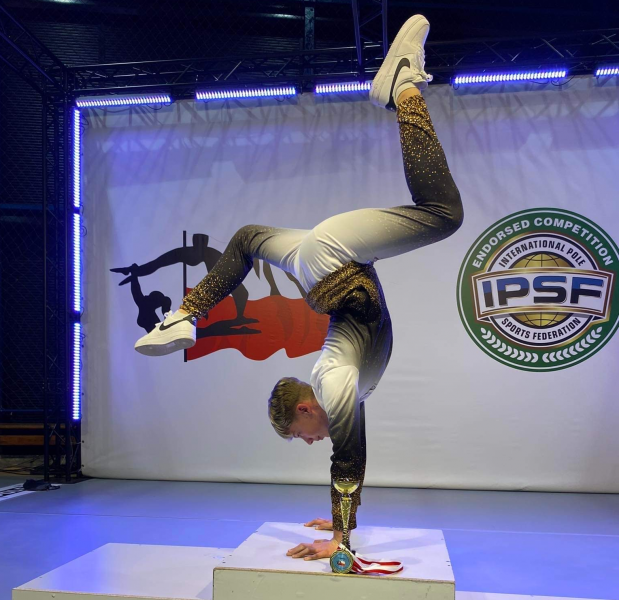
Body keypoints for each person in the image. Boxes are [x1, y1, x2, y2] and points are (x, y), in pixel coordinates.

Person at [133, 14, 463, 561]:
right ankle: (184, 315)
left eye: (300, 432)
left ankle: (403, 84)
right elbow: (349, 454)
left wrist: (340, 539)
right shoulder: (342, 385)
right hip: (320, 266)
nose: (309, 441)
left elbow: (347, 455)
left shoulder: (332, 382)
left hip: (334, 257)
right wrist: (341, 517)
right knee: (248, 239)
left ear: (307, 408)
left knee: (443, 214)